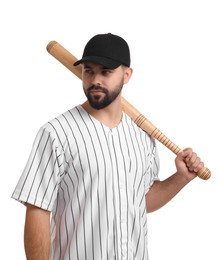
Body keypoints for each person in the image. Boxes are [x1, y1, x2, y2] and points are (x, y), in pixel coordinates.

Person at [12, 33, 204, 260]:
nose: (95, 80)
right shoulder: (56, 133)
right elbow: (37, 210)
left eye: (106, 72)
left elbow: (141, 201)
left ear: (127, 75)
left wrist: (180, 178)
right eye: (89, 71)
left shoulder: (142, 136)